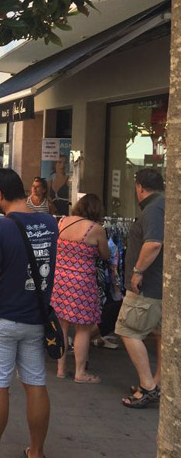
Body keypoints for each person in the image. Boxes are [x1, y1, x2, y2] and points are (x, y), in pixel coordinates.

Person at [0, 169, 59, 458]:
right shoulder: (49, 223)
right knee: (36, 384)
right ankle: (37, 452)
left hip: (0, 318)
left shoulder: (0, 228)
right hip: (35, 318)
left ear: (0, 195)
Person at [117, 168, 164, 409]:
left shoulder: (154, 209)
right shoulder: (164, 205)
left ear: (139, 187)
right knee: (160, 335)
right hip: (159, 287)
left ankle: (148, 386)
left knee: (127, 329)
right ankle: (157, 384)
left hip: (148, 286)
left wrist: (137, 271)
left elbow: (154, 244)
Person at [51, 194, 110, 383]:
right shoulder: (96, 229)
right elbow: (105, 255)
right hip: (82, 283)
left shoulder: (62, 222)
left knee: (61, 327)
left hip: (59, 280)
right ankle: (80, 373)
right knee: (83, 329)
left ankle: (60, 369)